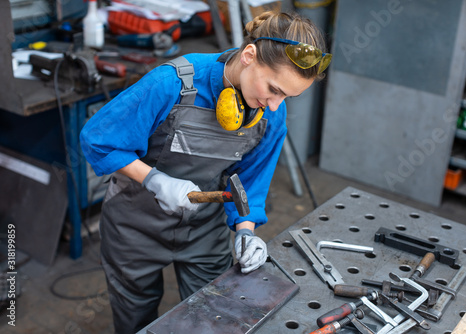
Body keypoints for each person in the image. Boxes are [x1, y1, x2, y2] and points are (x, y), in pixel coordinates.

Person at [80, 10, 331, 334]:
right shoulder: (172, 83)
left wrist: (245, 230)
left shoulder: (271, 116)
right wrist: (154, 179)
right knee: (136, 320)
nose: (273, 104)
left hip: (203, 231)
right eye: (274, 88)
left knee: (213, 317)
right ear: (249, 56)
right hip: (134, 228)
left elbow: (251, 180)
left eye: (286, 97)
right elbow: (98, 140)